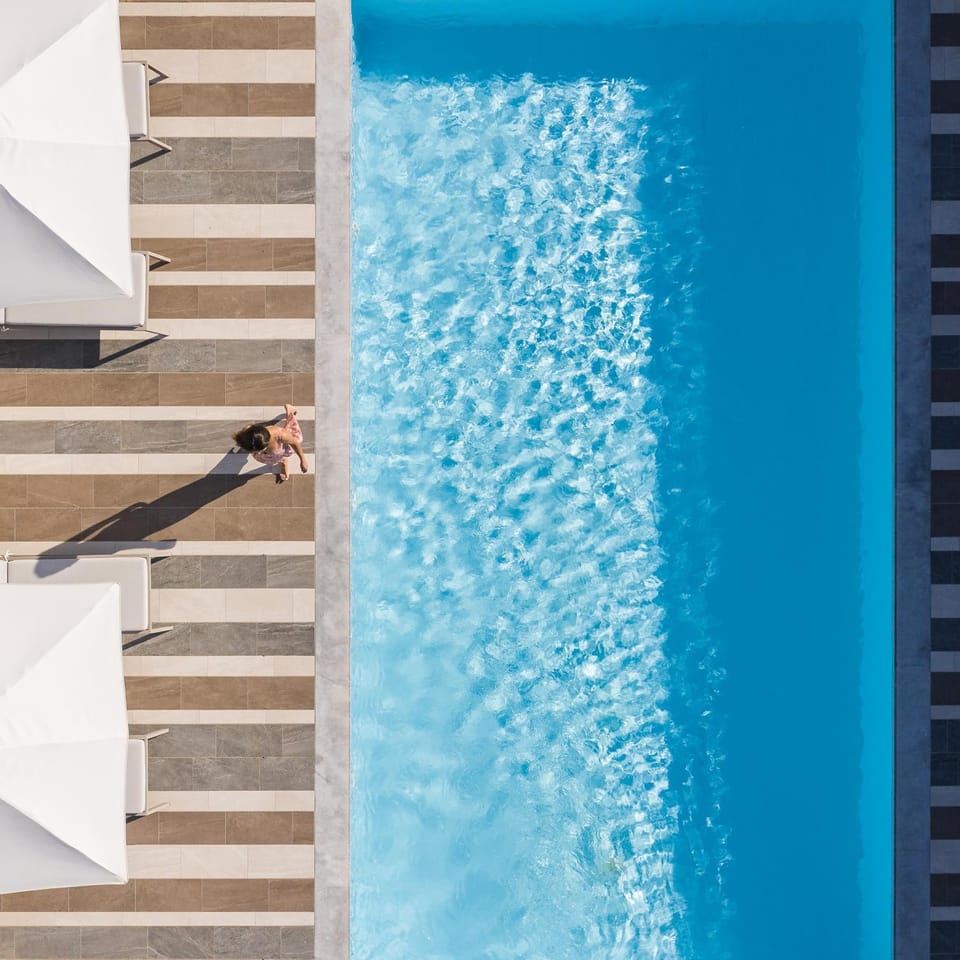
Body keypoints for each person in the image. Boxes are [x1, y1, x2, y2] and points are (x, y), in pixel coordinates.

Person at [233, 403, 308, 483]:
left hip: (280, 448)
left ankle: (290, 412)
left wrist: (303, 460)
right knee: (271, 458)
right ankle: (282, 460)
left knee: (292, 430)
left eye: (262, 449)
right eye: (255, 451)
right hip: (273, 455)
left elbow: (294, 443)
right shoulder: (246, 434)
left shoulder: (280, 434)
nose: (259, 453)